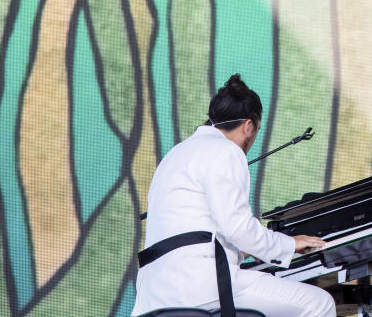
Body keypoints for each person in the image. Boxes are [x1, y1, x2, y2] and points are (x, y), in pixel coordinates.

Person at [132, 74, 335, 317]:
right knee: (320, 304)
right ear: (248, 126)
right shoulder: (227, 151)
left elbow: (198, 229)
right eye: (257, 130)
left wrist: (244, 250)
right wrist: (290, 244)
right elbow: (237, 228)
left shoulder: (175, 155)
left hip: (154, 292)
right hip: (202, 286)